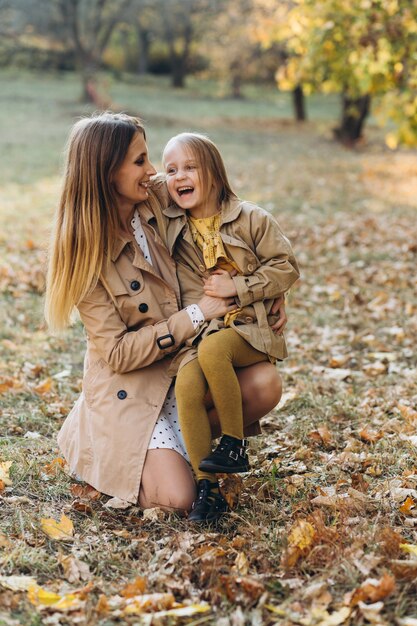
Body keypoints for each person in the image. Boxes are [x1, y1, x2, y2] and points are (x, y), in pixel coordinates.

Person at [44, 112, 286, 515]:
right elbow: (118, 354)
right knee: (176, 500)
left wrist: (266, 289)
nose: (154, 171)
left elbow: (230, 224)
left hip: (186, 362)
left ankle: (185, 444)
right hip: (133, 386)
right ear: (107, 172)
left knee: (265, 383)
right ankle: (100, 437)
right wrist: (196, 314)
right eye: (140, 162)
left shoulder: (157, 193)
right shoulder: (83, 253)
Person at [161, 132, 299, 522]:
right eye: (171, 170)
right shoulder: (176, 226)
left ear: (216, 176)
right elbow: (152, 179)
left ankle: (235, 445)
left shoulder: (251, 218)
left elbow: (286, 266)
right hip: (205, 330)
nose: (179, 176)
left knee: (213, 350)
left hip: (253, 329)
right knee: (187, 383)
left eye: (190, 167)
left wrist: (237, 288)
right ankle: (207, 487)